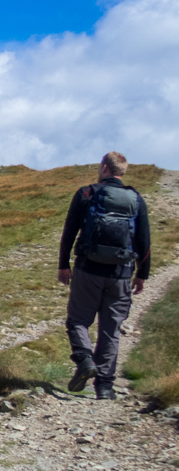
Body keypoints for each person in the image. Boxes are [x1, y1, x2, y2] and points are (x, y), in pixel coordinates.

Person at [57, 152, 151, 399]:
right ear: (122, 172)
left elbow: (69, 232)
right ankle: (106, 387)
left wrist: (63, 265)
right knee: (111, 329)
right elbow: (144, 241)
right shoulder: (135, 199)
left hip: (88, 269)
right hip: (121, 274)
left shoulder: (87, 193)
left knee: (78, 320)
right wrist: (142, 274)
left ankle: (85, 359)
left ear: (104, 168)